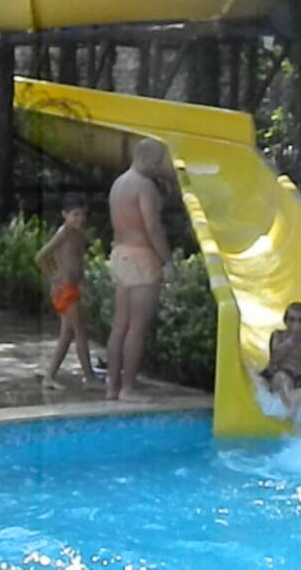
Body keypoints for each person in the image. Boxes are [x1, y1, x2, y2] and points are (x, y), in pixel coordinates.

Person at [106, 138, 175, 402]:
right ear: (145, 158)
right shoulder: (144, 186)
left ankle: (112, 387)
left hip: (120, 253)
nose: (158, 168)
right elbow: (152, 227)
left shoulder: (118, 184)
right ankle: (128, 388)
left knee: (119, 326)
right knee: (136, 327)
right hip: (141, 257)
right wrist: (167, 260)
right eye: (157, 163)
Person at [35, 193, 99, 390]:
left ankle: (49, 377)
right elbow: (40, 256)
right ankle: (89, 378)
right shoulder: (63, 233)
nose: (80, 218)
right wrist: (52, 279)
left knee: (67, 335)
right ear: (65, 215)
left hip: (74, 287)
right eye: (75, 215)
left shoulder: (79, 234)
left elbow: (79, 261)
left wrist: (83, 285)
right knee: (79, 331)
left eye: (83, 214)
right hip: (64, 289)